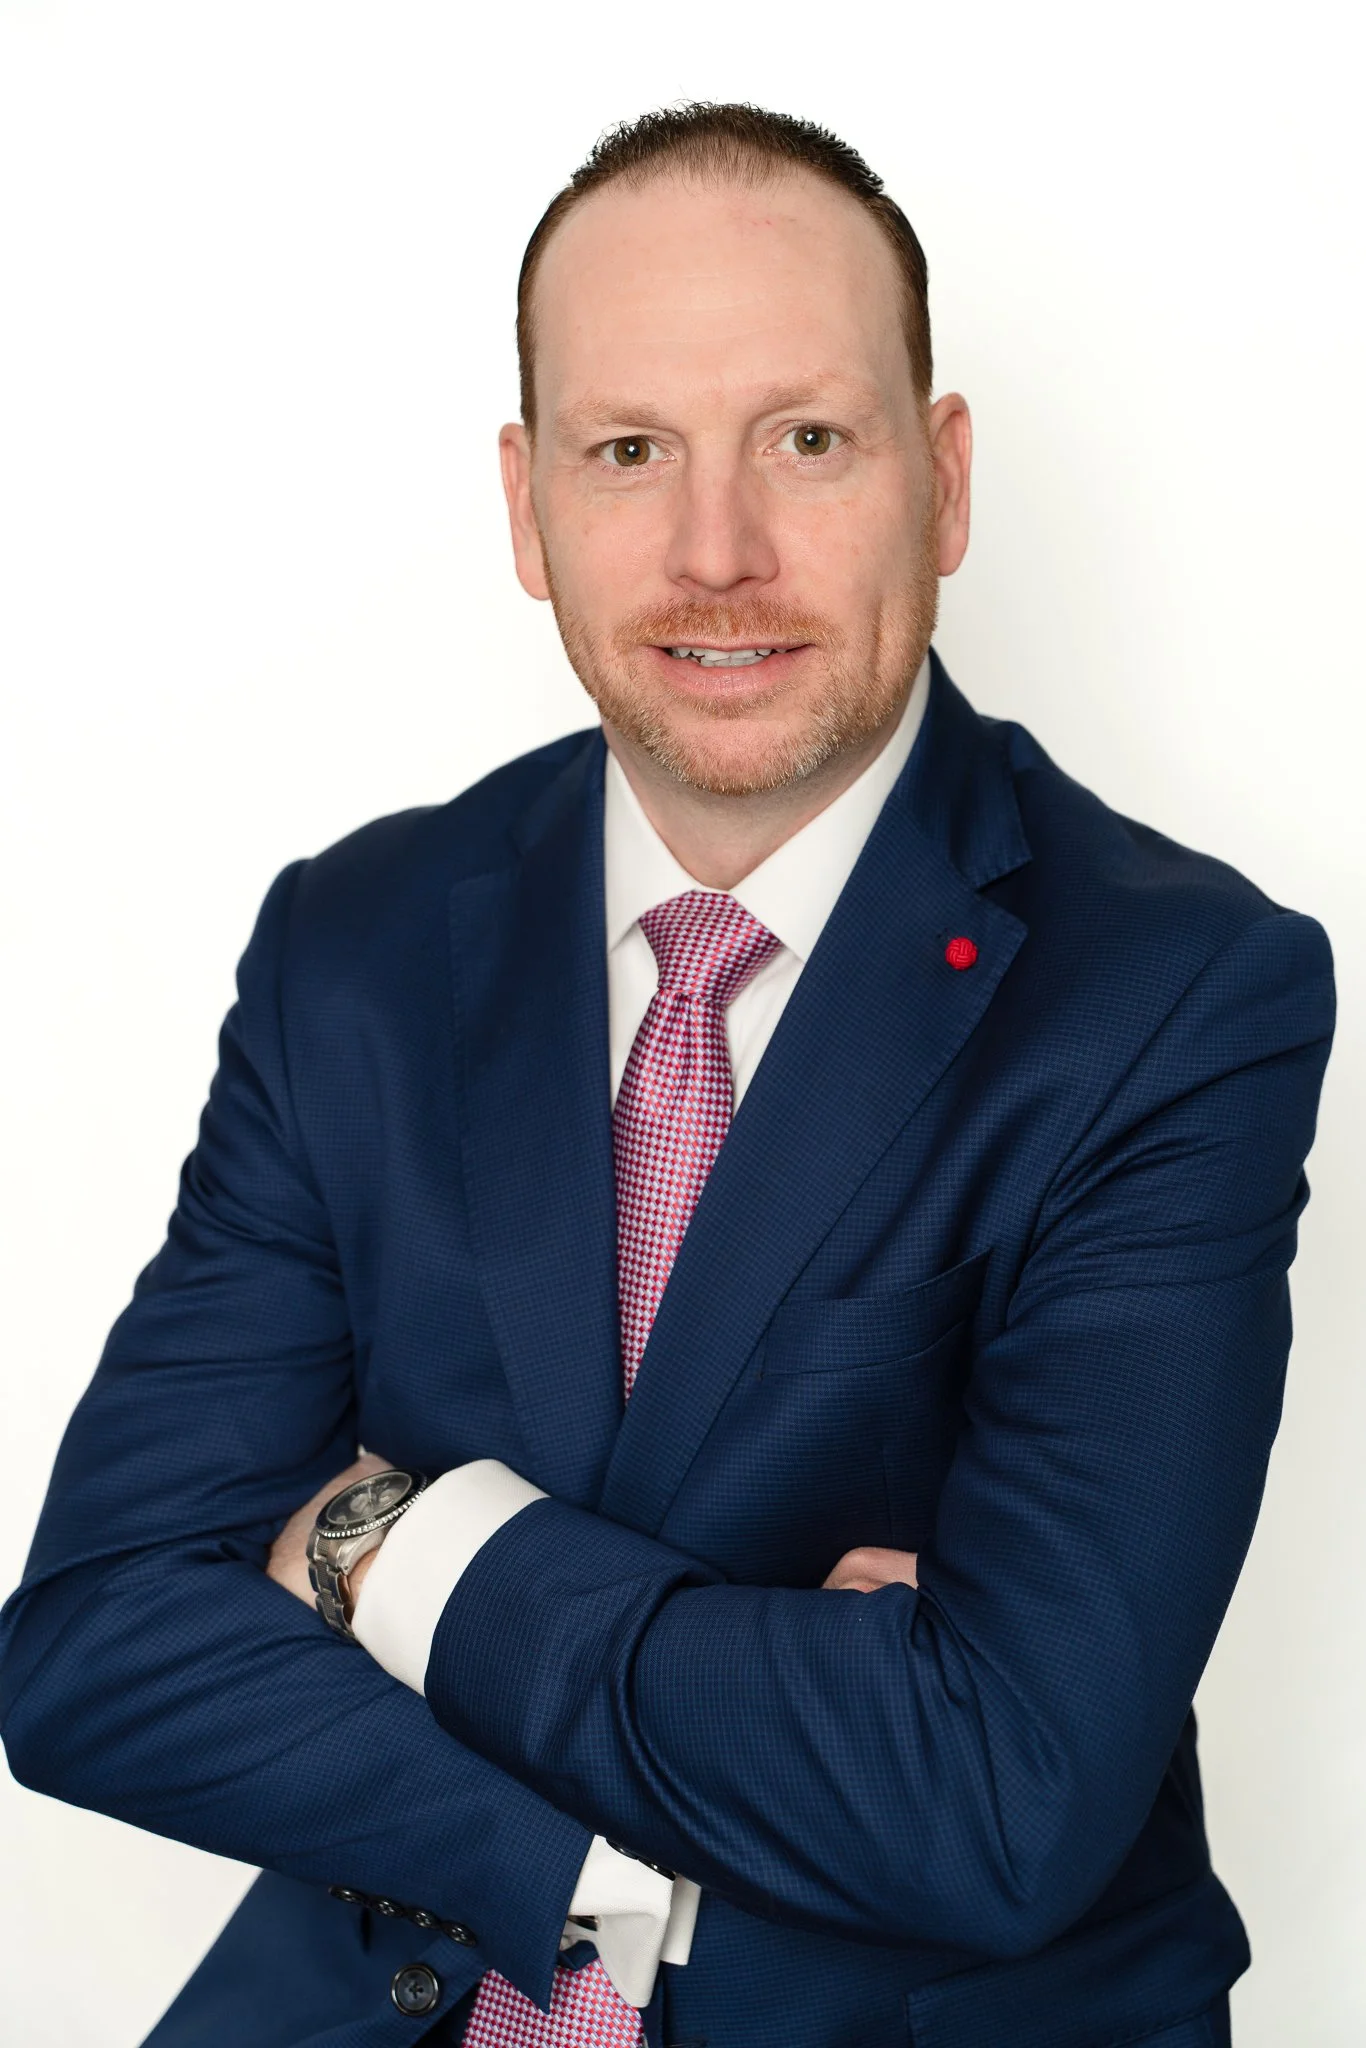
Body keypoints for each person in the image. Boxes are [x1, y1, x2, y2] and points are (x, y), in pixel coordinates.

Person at [0, 102, 1335, 2048]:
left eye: (805, 438)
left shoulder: (1175, 993)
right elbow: (95, 1640)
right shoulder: (355, 945)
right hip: (395, 1982)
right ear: (529, 502)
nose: (717, 550)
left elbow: (996, 1795)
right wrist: (609, 1861)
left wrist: (391, 1546)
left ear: (939, 481)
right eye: (630, 451)